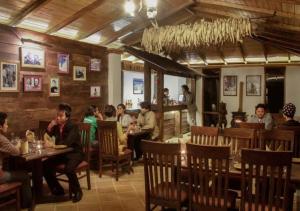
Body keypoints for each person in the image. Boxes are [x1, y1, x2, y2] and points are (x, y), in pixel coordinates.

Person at [43, 103, 83, 202]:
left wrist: (52, 145)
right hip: (62, 154)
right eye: (57, 115)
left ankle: (78, 191)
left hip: (75, 154)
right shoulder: (57, 126)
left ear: (67, 117)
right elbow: (47, 135)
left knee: (69, 169)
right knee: (44, 165)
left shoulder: (72, 126)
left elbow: (67, 143)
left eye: (61, 116)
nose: (58, 118)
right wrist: (50, 126)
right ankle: (57, 189)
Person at [0, 112, 33, 209]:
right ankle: (27, 204)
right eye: (6, 123)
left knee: (16, 167)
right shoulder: (1, 139)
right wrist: (18, 145)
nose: (7, 125)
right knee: (25, 175)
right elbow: (17, 152)